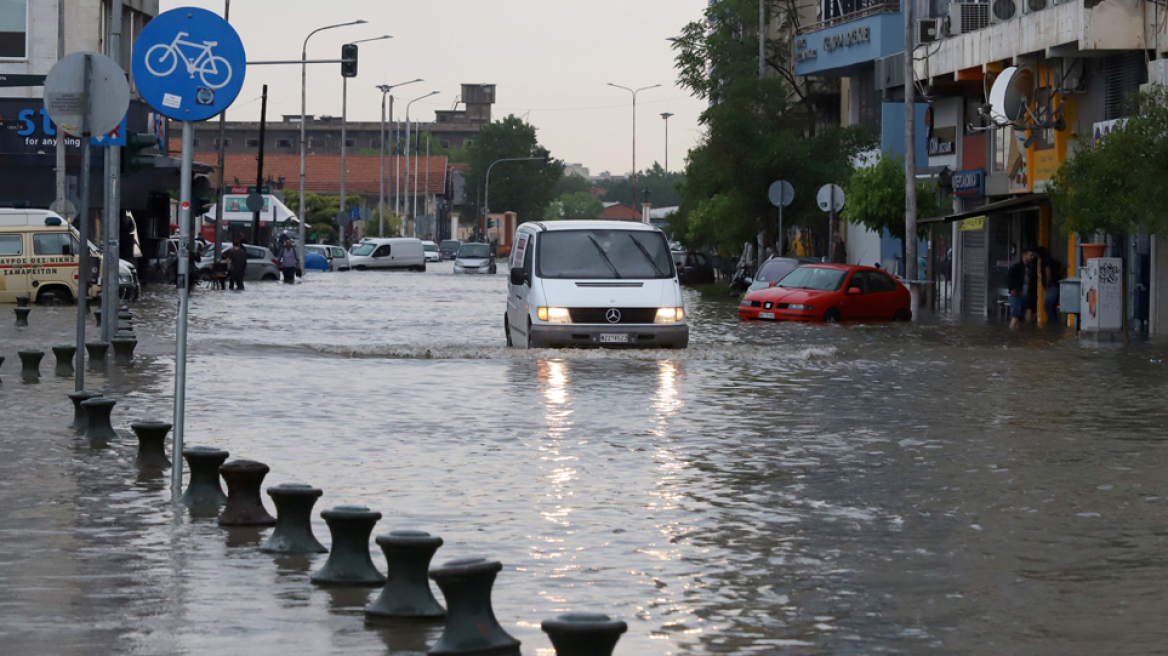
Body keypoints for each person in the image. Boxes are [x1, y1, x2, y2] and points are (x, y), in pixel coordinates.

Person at [1007, 248, 1038, 329]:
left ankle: (1016, 332)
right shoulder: (1016, 267)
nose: (1032, 257)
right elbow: (1009, 277)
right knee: (1016, 314)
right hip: (1016, 293)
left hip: (1025, 293)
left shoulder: (1029, 268)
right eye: (1030, 255)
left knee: (1020, 315)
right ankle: (1012, 329)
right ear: (1024, 256)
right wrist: (1012, 289)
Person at [1037, 247, 1063, 323]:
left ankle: (1052, 324)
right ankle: (1054, 324)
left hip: (1052, 287)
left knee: (1048, 307)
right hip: (1056, 286)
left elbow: (1048, 271)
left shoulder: (1045, 261)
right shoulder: (1052, 261)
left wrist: (1048, 282)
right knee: (1052, 307)